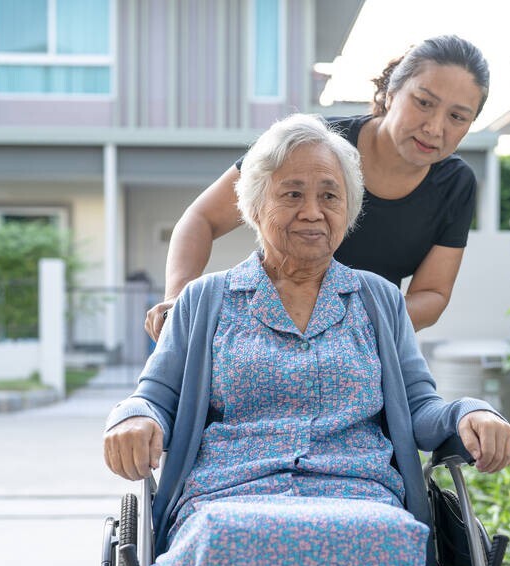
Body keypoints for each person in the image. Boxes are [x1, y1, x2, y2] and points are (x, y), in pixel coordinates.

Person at [104, 114, 510, 566]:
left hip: (358, 494)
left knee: (386, 537)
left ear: (349, 210)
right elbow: (155, 395)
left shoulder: (378, 301)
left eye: (329, 195)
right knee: (225, 540)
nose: (313, 211)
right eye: (292, 193)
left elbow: (422, 406)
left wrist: (471, 411)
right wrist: (132, 417)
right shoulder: (205, 300)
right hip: (231, 495)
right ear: (253, 205)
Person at [144, 34, 490, 342]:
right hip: (264, 333)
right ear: (391, 93)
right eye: (424, 102)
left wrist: (349, 328)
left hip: (365, 345)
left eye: (457, 117)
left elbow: (432, 294)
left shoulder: (455, 185)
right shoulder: (313, 143)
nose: (434, 128)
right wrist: (178, 300)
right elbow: (201, 218)